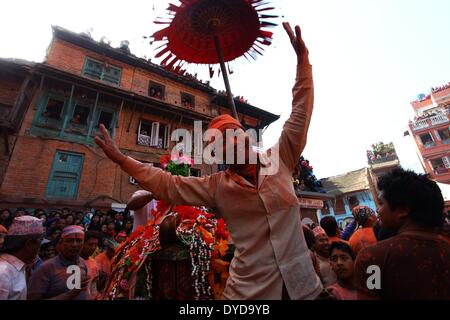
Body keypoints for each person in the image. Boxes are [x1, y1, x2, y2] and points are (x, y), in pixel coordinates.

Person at [94, 22, 323, 300]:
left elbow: (300, 111)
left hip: (304, 287)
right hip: (249, 294)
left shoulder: (281, 157)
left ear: (246, 135)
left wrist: (303, 61)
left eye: (232, 134)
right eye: (219, 143)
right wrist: (121, 159)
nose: (230, 143)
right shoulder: (216, 186)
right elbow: (167, 184)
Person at [354, 169, 450, 299]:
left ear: (402, 210)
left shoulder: (372, 259)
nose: (378, 210)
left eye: (381, 203)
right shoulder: (445, 247)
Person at [28, 226, 89, 300]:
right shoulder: (46, 268)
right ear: (61, 243)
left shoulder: (83, 263)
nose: (75, 245)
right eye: (70, 240)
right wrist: (69, 295)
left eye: (79, 240)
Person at [0, 216, 44, 300]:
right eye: (40, 240)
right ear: (29, 244)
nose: (40, 246)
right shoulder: (3, 272)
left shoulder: (20, 267)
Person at [80, 231, 103, 299]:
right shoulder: (73, 262)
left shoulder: (93, 262)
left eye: (96, 244)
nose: (93, 247)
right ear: (82, 244)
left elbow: (93, 288)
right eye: (90, 244)